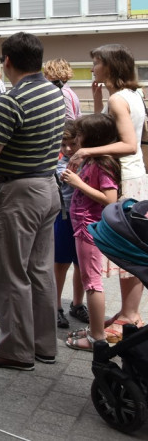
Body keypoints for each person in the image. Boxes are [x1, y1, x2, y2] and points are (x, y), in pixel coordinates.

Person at [0, 32, 65, 371]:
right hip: (46, 188)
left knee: (10, 274)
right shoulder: (54, 93)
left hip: (16, 195)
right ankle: (44, 346)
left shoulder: (12, 99)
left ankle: (16, 350)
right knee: (39, 271)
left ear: (7, 61)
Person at [74, 44, 148, 340]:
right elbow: (116, 132)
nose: (92, 68)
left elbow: (128, 143)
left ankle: (130, 314)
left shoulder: (119, 99)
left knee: (128, 249)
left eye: (96, 62)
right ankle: (129, 312)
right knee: (135, 247)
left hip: (124, 178)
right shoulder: (132, 95)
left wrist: (87, 150)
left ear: (110, 66)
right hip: (135, 177)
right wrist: (96, 100)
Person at [61, 113, 120, 351]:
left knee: (92, 282)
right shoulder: (92, 161)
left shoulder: (103, 163)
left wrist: (78, 183)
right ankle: (95, 329)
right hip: (83, 227)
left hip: (90, 229)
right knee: (89, 279)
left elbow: (110, 199)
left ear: (92, 138)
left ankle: (97, 337)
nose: (77, 139)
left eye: (81, 134)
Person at [54, 121, 87, 330]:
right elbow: (63, 176)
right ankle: (55, 306)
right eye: (63, 144)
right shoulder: (60, 163)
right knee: (60, 264)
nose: (67, 149)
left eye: (72, 144)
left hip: (83, 219)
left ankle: (77, 303)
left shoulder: (88, 159)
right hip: (64, 217)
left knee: (81, 264)